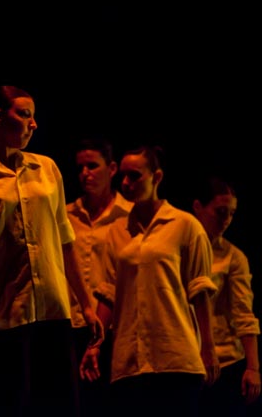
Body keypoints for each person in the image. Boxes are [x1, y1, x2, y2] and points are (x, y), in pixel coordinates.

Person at [0, 84, 103, 416]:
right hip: (3, 314)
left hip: (53, 309)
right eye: (25, 115)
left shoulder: (46, 168)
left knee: (60, 404)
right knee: (14, 403)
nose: (34, 124)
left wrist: (86, 305)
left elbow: (64, 240)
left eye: (34, 116)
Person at [80, 145, 220, 417]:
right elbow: (109, 293)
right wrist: (94, 345)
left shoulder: (184, 225)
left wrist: (209, 348)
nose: (125, 183)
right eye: (123, 175)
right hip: (130, 361)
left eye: (134, 176)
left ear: (156, 177)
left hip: (175, 357)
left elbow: (200, 290)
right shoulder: (117, 231)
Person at [66, 137, 132, 417]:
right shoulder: (67, 215)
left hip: (115, 328)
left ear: (112, 168)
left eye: (92, 166)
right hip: (75, 325)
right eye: (80, 168)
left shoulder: (129, 215)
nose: (85, 173)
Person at [192, 176, 261, 416]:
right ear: (198, 207)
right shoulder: (179, 248)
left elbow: (243, 312)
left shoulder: (233, 257)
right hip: (186, 359)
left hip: (224, 361)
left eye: (231, 213)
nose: (226, 220)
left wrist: (253, 367)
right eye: (220, 212)